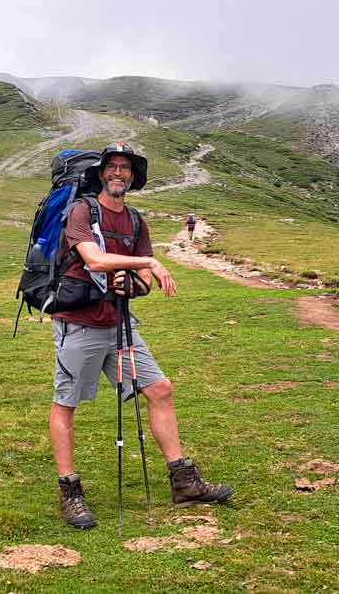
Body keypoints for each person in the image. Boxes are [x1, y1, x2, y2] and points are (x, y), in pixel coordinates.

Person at [50, 143, 233, 529]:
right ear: (102, 174)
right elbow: (94, 260)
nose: (119, 173)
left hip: (119, 323)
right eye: (113, 167)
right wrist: (146, 262)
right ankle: (70, 491)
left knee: (160, 389)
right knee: (66, 403)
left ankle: (183, 482)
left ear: (134, 177)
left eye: (125, 169)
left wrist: (130, 282)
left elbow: (144, 285)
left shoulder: (135, 221)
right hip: (79, 322)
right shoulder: (83, 211)